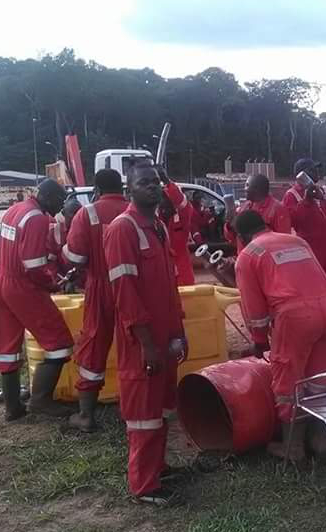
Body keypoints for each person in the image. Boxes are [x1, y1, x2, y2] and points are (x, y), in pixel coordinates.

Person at [104, 161, 188, 506]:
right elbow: (125, 293)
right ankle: (143, 485)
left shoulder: (158, 227)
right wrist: (147, 345)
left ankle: (158, 467)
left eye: (155, 181)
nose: (153, 186)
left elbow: (169, 286)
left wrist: (179, 331)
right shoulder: (122, 230)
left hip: (166, 335)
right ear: (129, 190)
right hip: (143, 341)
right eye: (144, 182)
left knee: (162, 407)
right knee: (143, 414)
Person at [233, 210, 326, 460]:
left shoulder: (248, 256)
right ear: (265, 225)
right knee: (322, 376)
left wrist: (259, 340)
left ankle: (293, 447)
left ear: (241, 236)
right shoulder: (296, 241)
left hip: (296, 317)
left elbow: (255, 310)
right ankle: (321, 440)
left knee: (287, 381)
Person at [0, 178, 74, 421]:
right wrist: (52, 283)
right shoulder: (37, 218)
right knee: (59, 342)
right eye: (59, 200)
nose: (61, 206)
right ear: (46, 197)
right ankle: (41, 400)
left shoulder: (14, 210)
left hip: (0, 281)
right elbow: (34, 265)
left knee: (7, 348)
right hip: (22, 287)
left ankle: (13, 407)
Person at [63, 169, 128, 432]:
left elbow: (75, 257)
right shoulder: (136, 209)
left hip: (101, 287)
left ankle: (86, 415)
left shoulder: (87, 213)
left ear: (97, 190)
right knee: (134, 347)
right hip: (132, 288)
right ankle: (134, 407)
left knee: (94, 345)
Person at [283, 158, 326, 297]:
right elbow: (292, 221)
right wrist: (306, 201)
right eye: (312, 169)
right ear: (302, 174)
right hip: (308, 250)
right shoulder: (291, 195)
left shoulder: (325, 192)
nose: (317, 172)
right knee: (312, 288)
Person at [157, 167, 203, 286]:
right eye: (162, 203)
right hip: (162, 276)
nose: (165, 206)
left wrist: (166, 181)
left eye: (168, 202)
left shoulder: (183, 216)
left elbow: (181, 201)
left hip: (183, 275)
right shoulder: (153, 221)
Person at [224, 174, 291, 252]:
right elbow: (233, 239)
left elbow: (284, 241)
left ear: (257, 189)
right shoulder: (244, 207)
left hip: (265, 256)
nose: (244, 189)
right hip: (245, 255)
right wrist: (230, 224)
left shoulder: (278, 209)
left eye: (247, 185)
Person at [47, 198, 82, 280]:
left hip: (81, 280)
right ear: (64, 213)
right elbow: (51, 263)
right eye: (73, 213)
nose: (76, 217)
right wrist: (62, 280)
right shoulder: (54, 231)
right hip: (61, 280)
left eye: (79, 213)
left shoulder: (84, 231)